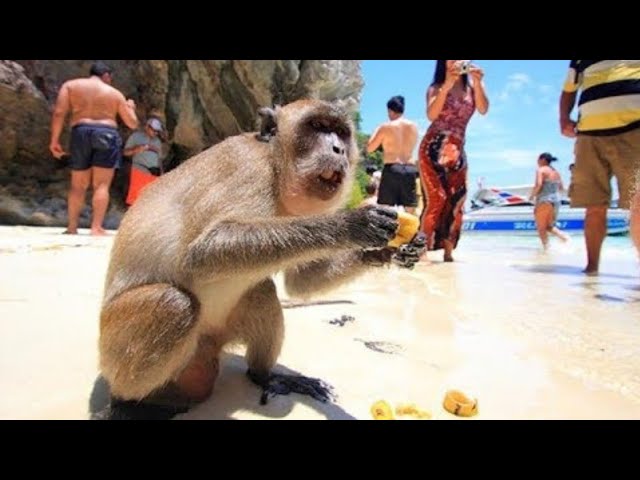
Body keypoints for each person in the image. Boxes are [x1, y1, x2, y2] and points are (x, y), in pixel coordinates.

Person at [560, 60, 640, 275]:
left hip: (634, 130)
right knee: (593, 206)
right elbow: (569, 89)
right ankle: (591, 269)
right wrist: (563, 118)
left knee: (638, 203)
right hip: (589, 135)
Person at [49, 61, 139, 235]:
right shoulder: (114, 94)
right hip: (107, 133)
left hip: (80, 132)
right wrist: (130, 108)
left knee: (77, 185)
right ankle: (96, 227)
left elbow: (59, 112)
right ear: (106, 75)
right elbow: (132, 123)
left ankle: (72, 227)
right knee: (101, 185)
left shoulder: (71, 86)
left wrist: (54, 140)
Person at [418, 60, 489, 262]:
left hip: (457, 150)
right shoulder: (436, 87)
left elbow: (483, 109)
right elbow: (431, 115)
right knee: (437, 199)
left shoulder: (472, 88)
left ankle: (448, 253)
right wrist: (447, 86)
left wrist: (479, 83)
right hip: (434, 147)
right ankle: (421, 249)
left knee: (458, 200)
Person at [367, 95, 419, 214]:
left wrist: (377, 129)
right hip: (410, 169)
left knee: (384, 209)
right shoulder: (414, 127)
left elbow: (370, 148)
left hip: (392, 168)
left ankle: (386, 232)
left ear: (390, 110)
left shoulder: (386, 126)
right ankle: (411, 232)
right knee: (410, 209)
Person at [529, 153, 570, 249]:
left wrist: (532, 196)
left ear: (542, 159)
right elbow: (561, 188)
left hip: (544, 200)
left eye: (538, 159)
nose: (537, 162)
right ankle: (566, 239)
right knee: (549, 226)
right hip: (556, 201)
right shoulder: (556, 172)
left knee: (541, 228)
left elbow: (538, 184)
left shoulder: (541, 170)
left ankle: (547, 249)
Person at [123, 117, 165, 206]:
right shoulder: (136, 137)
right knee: (135, 200)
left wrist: (161, 173)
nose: (155, 133)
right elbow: (125, 152)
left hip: (154, 173)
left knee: (149, 201)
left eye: (157, 131)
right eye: (153, 130)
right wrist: (137, 149)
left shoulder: (157, 142)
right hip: (140, 170)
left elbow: (159, 159)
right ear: (147, 127)